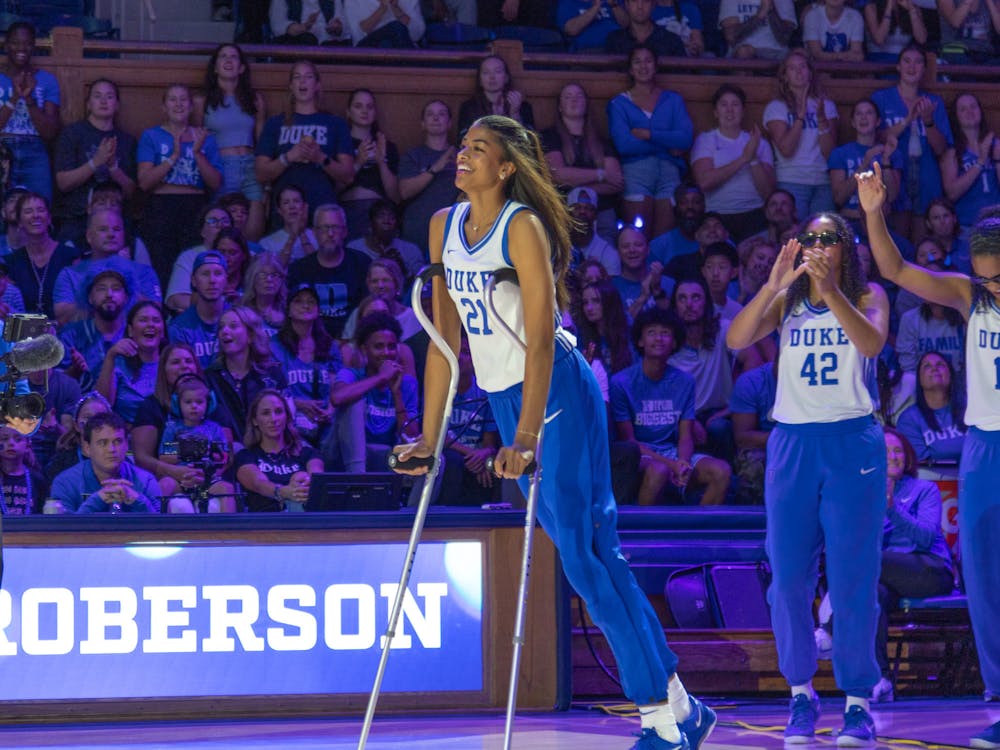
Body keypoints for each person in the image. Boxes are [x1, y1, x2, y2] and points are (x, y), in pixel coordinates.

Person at [392, 114, 717, 750]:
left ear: (505, 167)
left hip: (556, 391)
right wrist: (429, 439)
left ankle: (657, 720)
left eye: (477, 150)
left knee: (581, 553)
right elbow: (441, 345)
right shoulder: (443, 227)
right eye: (462, 147)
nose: (462, 156)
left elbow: (540, 340)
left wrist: (527, 440)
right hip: (503, 395)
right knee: (597, 554)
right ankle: (682, 707)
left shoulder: (522, 227)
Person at [727, 209, 891, 745]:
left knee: (852, 581)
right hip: (793, 443)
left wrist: (831, 291)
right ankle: (801, 693)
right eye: (810, 238)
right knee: (789, 580)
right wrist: (772, 285)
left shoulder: (868, 298)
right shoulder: (787, 301)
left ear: (846, 249)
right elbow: (736, 338)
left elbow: (870, 345)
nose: (817, 245)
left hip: (851, 444)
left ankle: (859, 702)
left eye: (828, 238)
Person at [860, 172, 999, 745]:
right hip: (984, 444)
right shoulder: (971, 296)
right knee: (986, 579)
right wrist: (873, 212)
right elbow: (894, 272)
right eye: (986, 274)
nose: (993, 284)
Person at [818, 427, 955, 702]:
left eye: (898, 451)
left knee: (869, 562)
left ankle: (830, 630)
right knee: (875, 594)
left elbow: (927, 537)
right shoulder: (863, 495)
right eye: (886, 451)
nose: (893, 457)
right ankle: (881, 680)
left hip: (931, 570)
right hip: (883, 575)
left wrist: (892, 508)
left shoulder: (923, 489)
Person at [612, 307, 732, 505]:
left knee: (721, 472)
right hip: (641, 455)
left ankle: (698, 534)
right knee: (660, 471)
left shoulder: (685, 382)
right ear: (640, 341)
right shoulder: (621, 382)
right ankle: (643, 535)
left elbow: (685, 435)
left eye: (665, 333)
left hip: (673, 453)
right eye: (651, 333)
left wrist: (683, 462)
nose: (658, 338)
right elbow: (630, 442)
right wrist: (671, 465)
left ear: (674, 342)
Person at [138, 83, 224, 286]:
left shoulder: (205, 138)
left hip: (195, 206)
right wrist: (173, 156)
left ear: (192, 107)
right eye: (172, 99)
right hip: (161, 206)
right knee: (161, 266)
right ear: (164, 107)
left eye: (183, 99)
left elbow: (215, 183)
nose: (178, 104)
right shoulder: (151, 136)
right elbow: (144, 182)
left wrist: (197, 153)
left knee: (192, 265)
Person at [607, 44, 693, 239]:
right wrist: (667, 143)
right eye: (637, 61)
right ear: (630, 69)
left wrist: (649, 135)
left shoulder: (673, 100)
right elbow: (624, 145)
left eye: (648, 61)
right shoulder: (618, 103)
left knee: (664, 239)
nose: (643, 66)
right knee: (638, 238)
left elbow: (685, 139)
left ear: (655, 66)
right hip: (636, 174)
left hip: (670, 173)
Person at [255, 61, 354, 223]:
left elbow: (348, 175)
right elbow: (260, 173)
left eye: (308, 77)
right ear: (291, 86)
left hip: (322, 211)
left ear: (317, 85)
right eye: (297, 77)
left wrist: (320, 158)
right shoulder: (275, 123)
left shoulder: (335, 123)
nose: (302, 81)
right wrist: (288, 157)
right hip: (285, 212)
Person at [870, 45, 952, 241]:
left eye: (918, 62)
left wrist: (928, 121)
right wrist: (907, 120)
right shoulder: (881, 98)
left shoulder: (934, 102)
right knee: (896, 244)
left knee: (922, 244)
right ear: (898, 66)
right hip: (894, 178)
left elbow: (942, 148)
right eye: (907, 61)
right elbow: (874, 138)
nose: (912, 66)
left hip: (926, 180)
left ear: (924, 69)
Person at [194, 44, 266, 241]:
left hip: (251, 165)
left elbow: (261, 138)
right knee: (220, 230)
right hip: (221, 167)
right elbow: (197, 139)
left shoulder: (254, 99)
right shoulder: (203, 100)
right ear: (215, 67)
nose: (228, 60)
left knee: (254, 231)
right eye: (223, 56)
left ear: (241, 68)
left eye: (233, 57)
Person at [332, 311, 420, 472]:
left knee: (436, 462)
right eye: (378, 347)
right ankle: (358, 481)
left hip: (388, 454)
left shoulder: (407, 384)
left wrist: (396, 394)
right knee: (354, 402)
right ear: (364, 350)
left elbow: (411, 437)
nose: (386, 353)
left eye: (391, 346)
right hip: (345, 454)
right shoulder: (350, 374)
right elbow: (337, 397)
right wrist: (381, 378)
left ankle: (416, 499)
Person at [53, 78, 137, 246]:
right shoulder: (72, 134)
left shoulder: (127, 140)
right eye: (98, 96)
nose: (104, 101)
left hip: (114, 221)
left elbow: (131, 192)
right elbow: (63, 183)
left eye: (109, 96)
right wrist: (95, 162)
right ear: (89, 104)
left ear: (117, 105)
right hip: (77, 218)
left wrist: (113, 168)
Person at [690, 83, 775, 243]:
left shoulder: (759, 142)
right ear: (716, 112)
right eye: (724, 105)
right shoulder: (706, 140)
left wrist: (754, 159)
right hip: (718, 216)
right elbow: (704, 182)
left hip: (755, 214)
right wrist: (744, 158)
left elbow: (768, 193)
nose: (729, 110)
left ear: (742, 111)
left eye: (735, 105)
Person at [542, 83, 624, 244]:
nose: (574, 100)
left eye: (579, 96)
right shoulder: (549, 136)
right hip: (563, 211)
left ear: (586, 104)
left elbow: (616, 182)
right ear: (560, 106)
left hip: (601, 211)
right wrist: (601, 175)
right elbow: (557, 175)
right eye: (568, 97)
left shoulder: (602, 141)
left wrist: (575, 188)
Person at [763, 50, 839, 222]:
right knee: (794, 237)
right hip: (792, 181)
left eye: (803, 67)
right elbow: (786, 149)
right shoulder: (776, 107)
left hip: (823, 182)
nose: (798, 72)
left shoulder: (826, 105)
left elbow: (830, 154)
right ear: (784, 76)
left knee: (824, 239)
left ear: (810, 73)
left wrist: (821, 121)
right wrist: (800, 115)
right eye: (792, 68)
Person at [52, 207, 161, 325]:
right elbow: (62, 317)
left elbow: (156, 314)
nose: (111, 234)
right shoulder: (69, 274)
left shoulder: (144, 272)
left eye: (117, 229)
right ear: (89, 236)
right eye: (103, 229)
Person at [130, 343, 213, 497]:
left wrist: (206, 474)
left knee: (226, 490)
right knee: (169, 490)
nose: (184, 366)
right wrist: (177, 471)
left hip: (209, 478)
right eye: (176, 362)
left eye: (189, 361)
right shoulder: (168, 425)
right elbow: (145, 457)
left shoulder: (213, 411)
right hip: (170, 479)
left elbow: (225, 454)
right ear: (164, 370)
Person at [271, 284, 341, 450]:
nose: (306, 305)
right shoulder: (275, 345)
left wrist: (330, 410)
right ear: (288, 310)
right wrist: (298, 404)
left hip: (325, 423)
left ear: (318, 310)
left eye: (311, 301)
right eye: (298, 301)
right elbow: (269, 390)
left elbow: (337, 387)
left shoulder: (330, 345)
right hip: (289, 422)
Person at [286, 203, 371, 339]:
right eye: (324, 228)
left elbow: (369, 307)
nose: (330, 234)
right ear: (314, 232)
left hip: (354, 339)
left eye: (335, 228)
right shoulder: (299, 269)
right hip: (310, 339)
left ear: (345, 232)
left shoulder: (361, 263)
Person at [51, 412, 161, 514]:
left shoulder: (146, 481)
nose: (111, 449)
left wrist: (138, 500)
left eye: (118, 441)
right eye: (102, 443)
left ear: (127, 445)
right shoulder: (65, 483)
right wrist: (97, 500)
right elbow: (64, 531)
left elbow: (161, 529)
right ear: (87, 448)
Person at [157, 373, 235, 512]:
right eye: (188, 402)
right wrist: (188, 452)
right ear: (177, 403)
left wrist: (209, 458)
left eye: (199, 402)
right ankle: (160, 530)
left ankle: (231, 532)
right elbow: (165, 457)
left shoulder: (214, 428)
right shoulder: (172, 429)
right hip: (180, 478)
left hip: (208, 478)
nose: (194, 406)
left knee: (227, 489)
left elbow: (223, 458)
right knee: (164, 485)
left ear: (209, 403)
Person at [205, 305, 287, 439]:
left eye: (233, 326)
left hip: (268, 449)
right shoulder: (209, 379)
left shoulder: (272, 375)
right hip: (227, 453)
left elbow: (287, 419)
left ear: (251, 335)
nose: (225, 331)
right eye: (221, 327)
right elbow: (193, 428)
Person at [235, 389, 324, 512]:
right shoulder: (245, 456)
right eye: (266, 413)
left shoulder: (308, 453)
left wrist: (300, 486)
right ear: (255, 420)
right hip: (264, 522)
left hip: (303, 520)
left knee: (301, 476)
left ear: (287, 417)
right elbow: (258, 483)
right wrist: (283, 492)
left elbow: (317, 477)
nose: (273, 419)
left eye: (278, 412)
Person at [0, 22, 60, 200]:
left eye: (26, 43)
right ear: (6, 45)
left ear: (33, 47)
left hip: (35, 149)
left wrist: (28, 99)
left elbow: (50, 132)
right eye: (15, 42)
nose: (21, 48)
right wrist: (13, 97)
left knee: (40, 208)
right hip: (1, 148)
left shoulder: (47, 81)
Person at [828, 99, 903, 230]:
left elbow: (891, 196)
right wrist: (865, 164)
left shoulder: (892, 153)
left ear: (878, 121)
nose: (864, 117)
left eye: (869, 113)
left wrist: (885, 160)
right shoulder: (839, 153)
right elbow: (839, 198)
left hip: (882, 222)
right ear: (852, 122)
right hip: (850, 222)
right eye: (859, 114)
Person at [398, 99, 459, 253]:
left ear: (450, 123)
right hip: (417, 231)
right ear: (423, 124)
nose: (436, 118)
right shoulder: (413, 155)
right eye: (430, 114)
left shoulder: (462, 156)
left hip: (452, 233)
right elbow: (405, 191)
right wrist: (435, 169)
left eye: (441, 114)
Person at [339, 89, 401, 239]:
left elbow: (395, 196)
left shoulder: (387, 146)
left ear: (375, 113)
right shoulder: (340, 144)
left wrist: (381, 162)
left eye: (369, 107)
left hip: (380, 214)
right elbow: (333, 188)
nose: (364, 111)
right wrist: (358, 161)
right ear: (348, 112)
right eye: (358, 106)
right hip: (347, 211)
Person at [57, 268, 130, 391]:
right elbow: (56, 384)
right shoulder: (71, 334)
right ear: (90, 297)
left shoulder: (136, 332)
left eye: (116, 289)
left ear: (126, 297)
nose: (109, 295)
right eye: (102, 289)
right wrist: (75, 371)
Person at [6, 193, 78, 318]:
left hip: (64, 331)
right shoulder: (11, 263)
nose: (35, 215)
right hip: (22, 332)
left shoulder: (72, 257)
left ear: (49, 218)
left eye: (41, 210)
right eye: (28, 211)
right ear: (19, 222)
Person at [95, 300, 166, 425]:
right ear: (131, 330)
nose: (150, 325)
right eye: (143, 320)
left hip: (168, 438)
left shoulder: (173, 362)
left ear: (163, 331)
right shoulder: (117, 364)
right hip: (125, 438)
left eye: (156, 320)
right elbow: (102, 406)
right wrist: (110, 357)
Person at [895, 350, 968, 465]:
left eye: (940, 365)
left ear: (950, 374)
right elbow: (921, 466)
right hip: (934, 481)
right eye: (927, 366)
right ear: (919, 379)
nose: (934, 369)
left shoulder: (969, 409)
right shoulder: (909, 419)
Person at [940, 93, 1000, 231]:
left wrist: (997, 160)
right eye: (963, 109)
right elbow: (952, 194)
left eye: (973, 106)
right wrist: (980, 161)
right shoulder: (952, 153)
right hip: (968, 227)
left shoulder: (996, 145)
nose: (970, 111)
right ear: (956, 116)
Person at [164, 204, 233, 312]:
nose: (220, 225)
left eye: (225, 221)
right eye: (213, 221)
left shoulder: (247, 254)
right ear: (202, 231)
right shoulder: (190, 257)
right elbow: (175, 299)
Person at [728, 355, 777, 503]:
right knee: (753, 463)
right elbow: (743, 438)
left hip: (804, 444)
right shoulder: (751, 382)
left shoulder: (812, 384)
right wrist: (785, 437)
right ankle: (749, 520)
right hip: (763, 445)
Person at [167, 250, 229, 367]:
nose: (212, 280)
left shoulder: (239, 320)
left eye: (218, 273)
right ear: (194, 281)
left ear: (226, 279)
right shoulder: (179, 328)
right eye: (205, 274)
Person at [347, 199, 424, 281]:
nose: (386, 220)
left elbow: (421, 286)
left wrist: (402, 269)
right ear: (370, 223)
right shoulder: (353, 249)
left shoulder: (411, 250)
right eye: (381, 216)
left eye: (392, 217)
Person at [457, 56, 534, 138]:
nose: (492, 77)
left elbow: (531, 143)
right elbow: (462, 141)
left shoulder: (523, 107)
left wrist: (515, 114)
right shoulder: (469, 107)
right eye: (486, 72)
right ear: (480, 80)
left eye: (498, 71)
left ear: (506, 78)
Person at [574, 278, 634, 377]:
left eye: (596, 301)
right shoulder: (582, 336)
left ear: (609, 301)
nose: (589, 308)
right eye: (585, 303)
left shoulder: (628, 331)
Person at [47, 392, 111, 483]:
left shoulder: (119, 459)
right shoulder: (60, 462)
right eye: (88, 417)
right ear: (76, 425)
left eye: (100, 417)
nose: (94, 423)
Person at [614, 224, 672, 319]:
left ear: (648, 249)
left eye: (638, 245)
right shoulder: (612, 288)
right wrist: (643, 296)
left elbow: (672, 324)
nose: (632, 250)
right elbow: (618, 328)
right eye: (625, 246)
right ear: (618, 252)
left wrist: (657, 290)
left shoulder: (668, 283)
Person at [258, 184, 316, 266]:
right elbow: (274, 271)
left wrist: (302, 234)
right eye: (286, 203)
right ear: (279, 210)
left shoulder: (318, 236)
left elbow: (317, 268)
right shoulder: (267, 243)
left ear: (304, 207)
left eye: (296, 201)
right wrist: (293, 236)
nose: (292, 206)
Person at [718, 0, 796, 60]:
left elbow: (784, 39)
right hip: (743, 53)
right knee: (744, 52)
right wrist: (759, 16)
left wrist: (770, 9)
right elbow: (731, 37)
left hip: (777, 54)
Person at [605, 0, 686, 57]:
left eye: (646, 1)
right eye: (634, 1)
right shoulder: (614, 40)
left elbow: (684, 78)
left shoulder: (672, 41)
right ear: (627, 5)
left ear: (653, 5)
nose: (640, 6)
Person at [649, 183, 704, 267]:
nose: (690, 207)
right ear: (675, 208)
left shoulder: (718, 241)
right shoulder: (658, 245)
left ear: (704, 207)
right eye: (683, 202)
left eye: (696, 202)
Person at [567, 187, 620, 273]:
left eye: (588, 208)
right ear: (568, 214)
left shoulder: (608, 253)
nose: (582, 212)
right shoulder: (558, 248)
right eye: (577, 208)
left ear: (595, 215)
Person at [860, 0, 928, 63]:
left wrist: (912, 10)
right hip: (878, 60)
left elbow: (922, 39)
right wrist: (889, 8)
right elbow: (879, 39)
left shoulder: (913, 7)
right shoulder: (871, 7)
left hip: (904, 61)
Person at [0, 426, 47, 515]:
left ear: (27, 445)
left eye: (18, 439)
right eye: (4, 439)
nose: (11, 443)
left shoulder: (37, 479)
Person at [937, 0, 1000, 65]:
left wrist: (990, 3)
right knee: (964, 65)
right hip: (955, 50)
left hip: (985, 53)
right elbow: (955, 22)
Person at [341, 0, 426, 47]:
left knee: (396, 30)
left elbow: (417, 35)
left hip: (403, 49)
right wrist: (382, 8)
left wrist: (396, 8)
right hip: (367, 51)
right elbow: (358, 34)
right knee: (395, 28)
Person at [241, 253, 287, 335]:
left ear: (281, 280)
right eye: (262, 275)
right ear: (253, 279)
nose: (269, 280)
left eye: (274, 275)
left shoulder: (289, 311)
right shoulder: (241, 311)